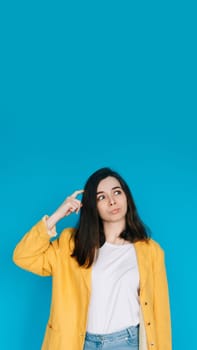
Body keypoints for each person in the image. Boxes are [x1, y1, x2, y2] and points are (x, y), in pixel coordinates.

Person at [13, 167, 172, 350]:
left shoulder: (151, 251)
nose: (112, 201)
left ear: (126, 197)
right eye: (101, 197)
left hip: (126, 343)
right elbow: (23, 256)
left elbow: (160, 314)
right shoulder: (71, 245)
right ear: (92, 206)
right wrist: (57, 215)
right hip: (77, 343)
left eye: (117, 192)